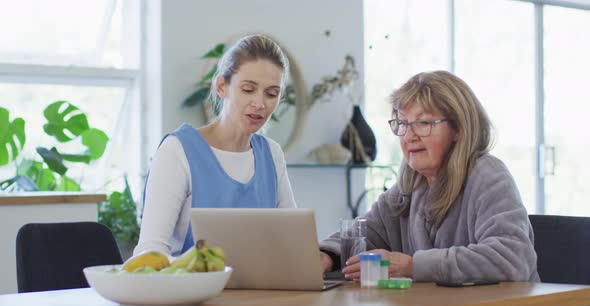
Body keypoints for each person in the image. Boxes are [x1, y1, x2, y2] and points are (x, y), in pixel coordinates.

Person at [319, 70, 540, 282]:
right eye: (403, 124)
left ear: (458, 129)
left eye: (423, 123)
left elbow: (512, 258)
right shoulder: (410, 184)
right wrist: (327, 256)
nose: (409, 136)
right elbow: (366, 232)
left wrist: (413, 266)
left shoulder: (488, 175)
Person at [134, 34, 297, 257]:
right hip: (190, 290)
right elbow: (150, 252)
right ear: (222, 86)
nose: (260, 104)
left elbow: (291, 239)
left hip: (260, 290)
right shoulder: (178, 150)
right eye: (248, 89)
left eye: (271, 93)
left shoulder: (272, 154)